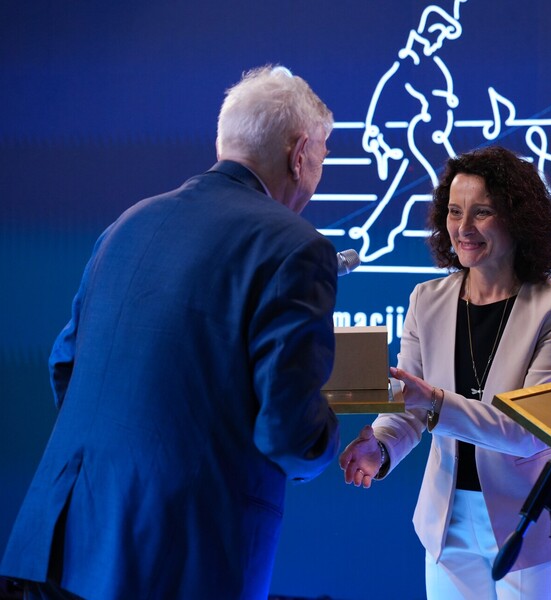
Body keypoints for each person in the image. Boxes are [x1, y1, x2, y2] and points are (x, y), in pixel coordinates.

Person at [0, 65, 340, 600]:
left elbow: (65, 365)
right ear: (299, 155)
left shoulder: (127, 224)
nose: (318, 174)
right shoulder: (296, 246)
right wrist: (329, 442)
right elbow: (287, 430)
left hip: (62, 541)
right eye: (321, 157)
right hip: (181, 556)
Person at [339, 146, 551, 599]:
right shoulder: (426, 299)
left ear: (517, 219)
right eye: (454, 212)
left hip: (531, 520)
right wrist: (380, 447)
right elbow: (408, 406)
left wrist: (434, 401)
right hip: (446, 520)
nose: (463, 228)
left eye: (482, 212)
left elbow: (530, 432)